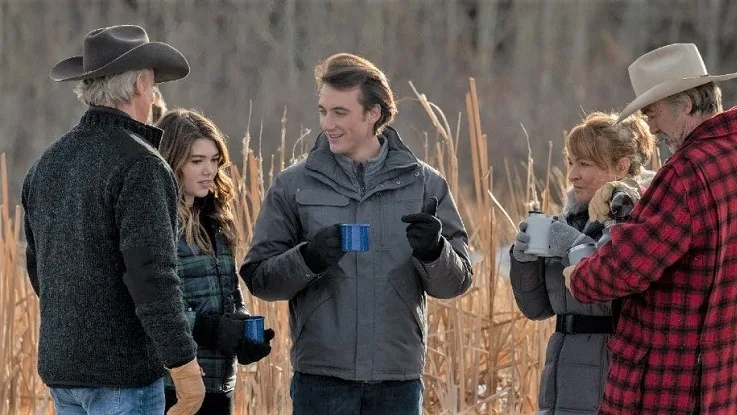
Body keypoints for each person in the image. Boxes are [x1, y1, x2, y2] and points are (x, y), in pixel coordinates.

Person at [239, 53, 472, 414]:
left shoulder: (426, 185)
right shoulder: (293, 185)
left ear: (373, 113)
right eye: (323, 111)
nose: (327, 123)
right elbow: (259, 280)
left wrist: (434, 251)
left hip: (398, 381)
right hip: (321, 380)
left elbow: (456, 284)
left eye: (340, 112)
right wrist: (308, 258)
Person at [565, 43, 737, 414]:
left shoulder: (688, 172)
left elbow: (626, 267)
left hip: (668, 380)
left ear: (685, 105)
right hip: (723, 372)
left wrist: (578, 276)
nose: (650, 126)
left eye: (652, 112)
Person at [22, 25, 204, 414]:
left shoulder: (46, 165)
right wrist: (185, 368)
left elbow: (42, 273)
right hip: (123, 378)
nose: (155, 94)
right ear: (140, 84)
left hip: (63, 371)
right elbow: (153, 278)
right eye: (153, 83)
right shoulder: (142, 166)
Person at [509, 111, 654, 414]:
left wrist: (572, 245)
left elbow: (613, 286)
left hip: (609, 375)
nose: (572, 174)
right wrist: (523, 259)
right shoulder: (570, 220)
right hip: (560, 377)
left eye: (584, 164)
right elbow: (536, 309)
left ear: (621, 167)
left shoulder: (634, 221)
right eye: (571, 162)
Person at [157, 108, 275, 415]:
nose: (209, 170)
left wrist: (244, 333)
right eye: (197, 161)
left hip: (221, 383)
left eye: (214, 160)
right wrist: (210, 327)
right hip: (176, 387)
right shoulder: (157, 222)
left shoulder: (217, 220)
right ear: (172, 162)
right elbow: (150, 306)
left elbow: (231, 298)